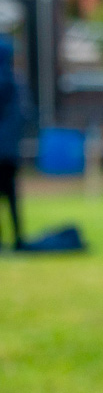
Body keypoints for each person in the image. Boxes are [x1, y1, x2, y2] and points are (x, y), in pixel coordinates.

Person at [0, 35, 23, 250]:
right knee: (12, 195)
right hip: (9, 152)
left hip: (5, 149)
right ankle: (18, 237)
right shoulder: (14, 82)